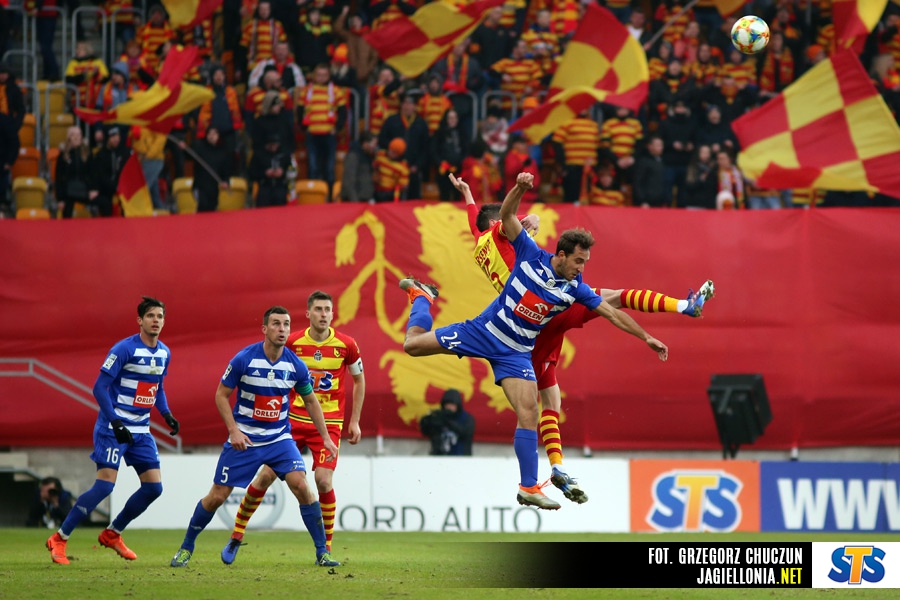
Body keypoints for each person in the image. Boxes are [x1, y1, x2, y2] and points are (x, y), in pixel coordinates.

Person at [398, 172, 670, 510]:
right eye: (578, 261)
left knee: (529, 412)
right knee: (412, 346)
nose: (582, 268)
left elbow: (612, 313)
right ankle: (422, 297)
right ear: (561, 254)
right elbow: (508, 214)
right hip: (483, 331)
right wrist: (520, 188)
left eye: (585, 262)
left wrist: (646, 336)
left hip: (516, 352)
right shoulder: (528, 252)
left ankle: (529, 487)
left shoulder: (577, 288)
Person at [450, 173, 713, 504]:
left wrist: (467, 193)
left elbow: (475, 220)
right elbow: (510, 216)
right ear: (494, 223)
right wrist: (530, 218)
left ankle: (557, 467)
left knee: (549, 400)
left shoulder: (479, 241)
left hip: (528, 322)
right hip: (544, 305)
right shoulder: (501, 232)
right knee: (614, 299)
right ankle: (684, 306)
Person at [170, 306, 340, 568]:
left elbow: (310, 401)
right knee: (217, 496)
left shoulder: (295, 365)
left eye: (286, 324)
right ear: (264, 329)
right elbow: (221, 395)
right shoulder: (244, 359)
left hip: (279, 439)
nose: (282, 329)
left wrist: (326, 437)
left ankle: (322, 552)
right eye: (276, 324)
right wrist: (234, 430)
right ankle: (186, 547)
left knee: (302, 487)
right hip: (245, 439)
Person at [222, 291, 365, 562]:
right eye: (318, 309)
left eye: (328, 309)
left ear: (333, 314)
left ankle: (326, 549)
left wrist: (354, 421)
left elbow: (359, 380)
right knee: (265, 477)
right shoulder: (292, 341)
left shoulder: (347, 345)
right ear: (308, 314)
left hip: (329, 423)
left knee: (323, 481)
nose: (324, 314)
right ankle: (237, 534)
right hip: (291, 422)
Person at [46, 297, 179, 565]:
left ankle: (112, 533)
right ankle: (59, 538)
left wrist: (166, 413)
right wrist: (116, 421)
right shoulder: (123, 349)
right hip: (112, 427)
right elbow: (99, 387)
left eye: (160, 316)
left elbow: (158, 387)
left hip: (141, 430)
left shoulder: (164, 352)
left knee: (154, 488)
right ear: (140, 320)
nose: (156, 320)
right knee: (105, 486)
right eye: (150, 316)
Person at [419, 389, 475, 456]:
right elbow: (426, 432)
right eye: (447, 404)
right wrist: (427, 421)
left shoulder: (466, 418)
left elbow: (466, 433)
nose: (449, 407)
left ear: (458, 405)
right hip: (439, 457)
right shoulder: (439, 416)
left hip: (460, 458)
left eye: (452, 404)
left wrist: (448, 422)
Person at [55, 127, 95, 219]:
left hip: (85, 189)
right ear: (68, 138)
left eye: (78, 135)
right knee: (66, 204)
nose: (76, 137)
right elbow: (59, 178)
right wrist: (60, 199)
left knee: (103, 201)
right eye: (73, 135)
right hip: (68, 192)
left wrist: (93, 189)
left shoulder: (88, 153)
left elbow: (93, 173)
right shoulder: (63, 155)